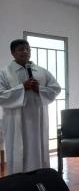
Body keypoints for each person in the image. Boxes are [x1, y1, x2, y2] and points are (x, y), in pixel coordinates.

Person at [0, 39, 61, 175]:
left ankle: (40, 186)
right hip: (15, 123)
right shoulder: (5, 73)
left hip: (37, 121)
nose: (25, 52)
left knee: (38, 153)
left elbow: (56, 89)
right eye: (21, 49)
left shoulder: (40, 71)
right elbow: (1, 96)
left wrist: (40, 89)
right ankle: (19, 188)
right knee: (18, 154)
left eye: (27, 49)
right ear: (13, 52)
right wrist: (23, 88)